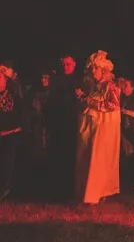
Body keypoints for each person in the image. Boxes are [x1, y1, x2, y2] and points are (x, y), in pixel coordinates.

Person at [76, 51, 122, 205]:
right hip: (93, 127)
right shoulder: (96, 87)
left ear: (103, 70)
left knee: (99, 159)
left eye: (95, 69)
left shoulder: (110, 86)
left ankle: (99, 192)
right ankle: (88, 192)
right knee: (88, 157)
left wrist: (89, 101)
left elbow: (113, 105)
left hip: (103, 129)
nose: (92, 72)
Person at [47, 55, 82, 201]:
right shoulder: (56, 81)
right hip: (59, 124)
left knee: (71, 157)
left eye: (68, 64)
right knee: (59, 157)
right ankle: (58, 190)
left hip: (73, 124)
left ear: (74, 64)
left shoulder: (79, 80)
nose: (65, 67)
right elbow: (54, 102)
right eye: (63, 65)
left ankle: (70, 190)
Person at [0, 64, 24, 201]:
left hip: (11, 135)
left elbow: (20, 116)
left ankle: (5, 188)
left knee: (7, 161)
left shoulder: (13, 95)